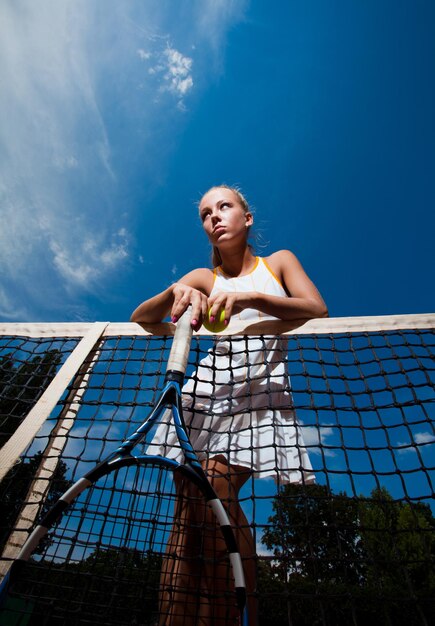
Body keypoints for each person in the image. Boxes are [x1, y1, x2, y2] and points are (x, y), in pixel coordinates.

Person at [130, 185, 328, 626]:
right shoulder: (205, 275)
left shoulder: (279, 262)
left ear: (247, 217)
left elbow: (316, 308)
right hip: (206, 393)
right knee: (187, 513)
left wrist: (250, 298)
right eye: (205, 213)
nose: (214, 217)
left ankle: (241, 617)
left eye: (224, 207)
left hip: (259, 395)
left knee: (216, 488)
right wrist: (180, 293)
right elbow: (142, 318)